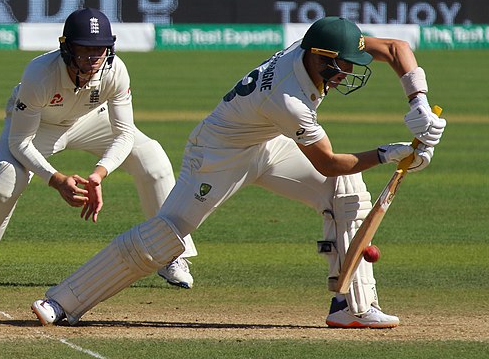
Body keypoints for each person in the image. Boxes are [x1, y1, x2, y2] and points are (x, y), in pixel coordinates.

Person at [31, 17, 446, 328]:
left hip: (268, 142)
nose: (347, 74)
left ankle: (352, 307)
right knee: (167, 236)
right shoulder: (289, 99)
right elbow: (327, 161)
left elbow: (395, 47)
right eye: (341, 66)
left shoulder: (313, 47)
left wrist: (419, 104)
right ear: (318, 58)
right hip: (217, 155)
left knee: (346, 189)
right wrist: (395, 152)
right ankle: (63, 301)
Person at [0, 8, 197, 290]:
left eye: (99, 50)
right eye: (84, 49)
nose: (93, 59)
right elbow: (19, 142)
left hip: (91, 120)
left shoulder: (115, 70)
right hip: (39, 127)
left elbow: (125, 133)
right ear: (66, 48)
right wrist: (56, 180)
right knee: (3, 182)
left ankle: (171, 256)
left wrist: (98, 174)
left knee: (152, 159)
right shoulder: (40, 73)